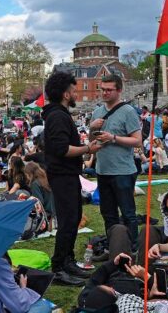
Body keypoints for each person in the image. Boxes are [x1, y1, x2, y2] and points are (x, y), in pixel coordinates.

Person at [43, 71, 102, 286]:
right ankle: (59, 268)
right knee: (68, 221)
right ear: (66, 93)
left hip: (67, 174)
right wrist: (88, 147)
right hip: (62, 175)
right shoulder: (57, 116)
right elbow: (61, 149)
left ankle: (68, 261)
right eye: (73, 89)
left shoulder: (60, 114)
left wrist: (90, 134)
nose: (76, 93)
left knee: (73, 218)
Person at [90, 74, 142, 245]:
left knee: (128, 213)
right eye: (102, 89)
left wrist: (113, 138)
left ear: (119, 90)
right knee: (108, 214)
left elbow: (137, 141)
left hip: (123, 171)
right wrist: (92, 128)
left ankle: (133, 246)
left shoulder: (128, 111)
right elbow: (91, 141)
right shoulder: (97, 112)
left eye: (109, 90)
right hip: (102, 170)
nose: (104, 93)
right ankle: (113, 246)